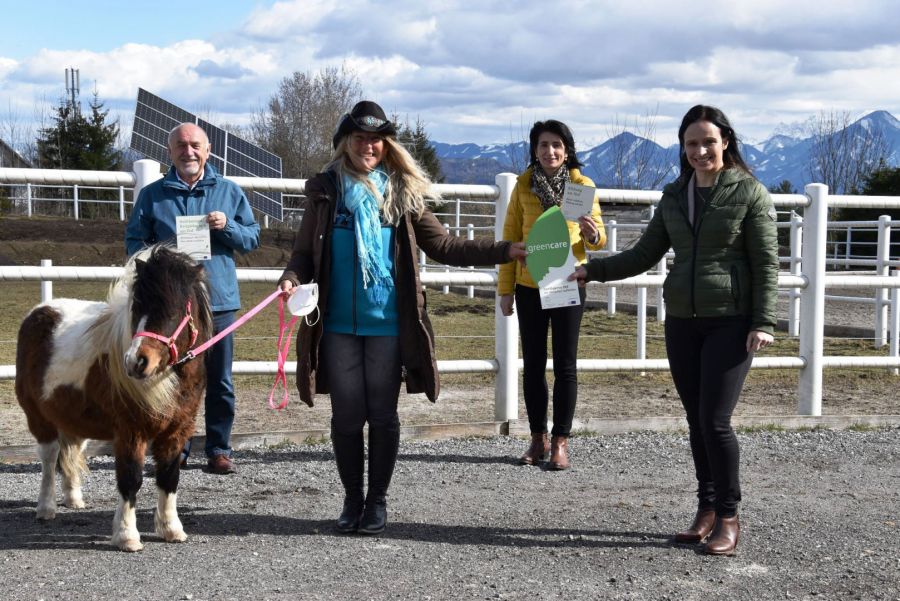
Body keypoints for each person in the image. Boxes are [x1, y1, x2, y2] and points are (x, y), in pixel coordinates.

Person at [278, 100, 526, 535]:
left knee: (383, 415)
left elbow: (445, 246)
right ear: (345, 142)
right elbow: (303, 253)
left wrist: (506, 250)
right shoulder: (324, 192)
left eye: (376, 139)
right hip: (336, 326)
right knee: (346, 418)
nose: (368, 146)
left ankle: (377, 501)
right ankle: (352, 499)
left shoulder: (402, 194)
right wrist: (291, 278)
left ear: (387, 145)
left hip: (389, 325)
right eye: (359, 138)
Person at [571, 105, 778, 555]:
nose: (700, 151)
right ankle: (706, 509)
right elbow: (644, 254)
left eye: (708, 142)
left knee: (715, 421)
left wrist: (763, 321)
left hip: (731, 320)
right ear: (683, 148)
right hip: (682, 320)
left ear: (726, 141)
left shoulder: (750, 193)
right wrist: (593, 271)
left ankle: (728, 516)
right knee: (696, 421)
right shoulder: (675, 195)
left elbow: (766, 263)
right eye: (691, 144)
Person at [126, 122, 260, 475]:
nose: (189, 152)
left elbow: (251, 238)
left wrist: (227, 226)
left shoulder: (229, 191)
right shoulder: (153, 196)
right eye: (181, 146)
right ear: (169, 152)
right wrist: (163, 255)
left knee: (220, 380)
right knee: (172, 380)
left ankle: (219, 449)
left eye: (195, 145)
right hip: (172, 312)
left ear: (208, 150)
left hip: (217, 304)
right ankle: (175, 449)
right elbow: (133, 243)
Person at [498, 120, 606, 470]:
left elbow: (598, 239)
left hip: (568, 282)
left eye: (557, 145)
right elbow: (509, 239)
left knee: (565, 365)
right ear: (534, 150)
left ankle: (561, 440)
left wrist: (592, 235)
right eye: (543, 145)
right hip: (529, 285)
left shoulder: (581, 186)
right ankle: (537, 438)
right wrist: (505, 289)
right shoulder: (523, 186)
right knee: (532, 365)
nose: (550, 151)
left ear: (567, 149)